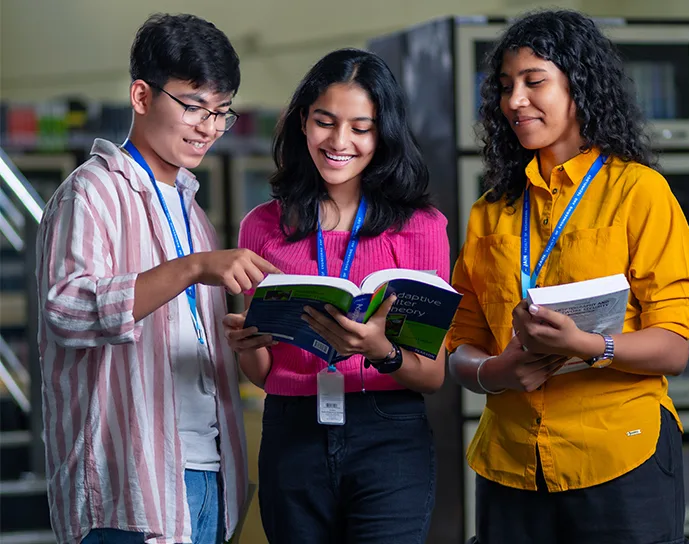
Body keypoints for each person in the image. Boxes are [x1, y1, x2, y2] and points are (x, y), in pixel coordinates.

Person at [447, 10, 689, 544]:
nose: (515, 100)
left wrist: (587, 344)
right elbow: (460, 346)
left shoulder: (640, 192)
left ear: (579, 86)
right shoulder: (488, 213)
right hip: (510, 464)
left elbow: (674, 349)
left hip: (620, 455)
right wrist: (498, 372)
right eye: (505, 86)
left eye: (534, 82)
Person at [36, 13, 279, 544]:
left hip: (209, 470)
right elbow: (68, 312)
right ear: (142, 97)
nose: (209, 127)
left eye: (221, 112)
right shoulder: (91, 193)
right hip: (127, 489)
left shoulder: (193, 210)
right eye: (194, 107)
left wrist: (245, 335)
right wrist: (194, 267)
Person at [223, 48, 449, 543]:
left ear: (383, 133)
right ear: (303, 121)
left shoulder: (420, 228)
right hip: (292, 432)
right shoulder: (262, 226)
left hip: (388, 434)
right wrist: (249, 346)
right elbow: (265, 375)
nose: (339, 141)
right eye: (325, 121)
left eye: (361, 128)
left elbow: (432, 374)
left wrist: (380, 351)